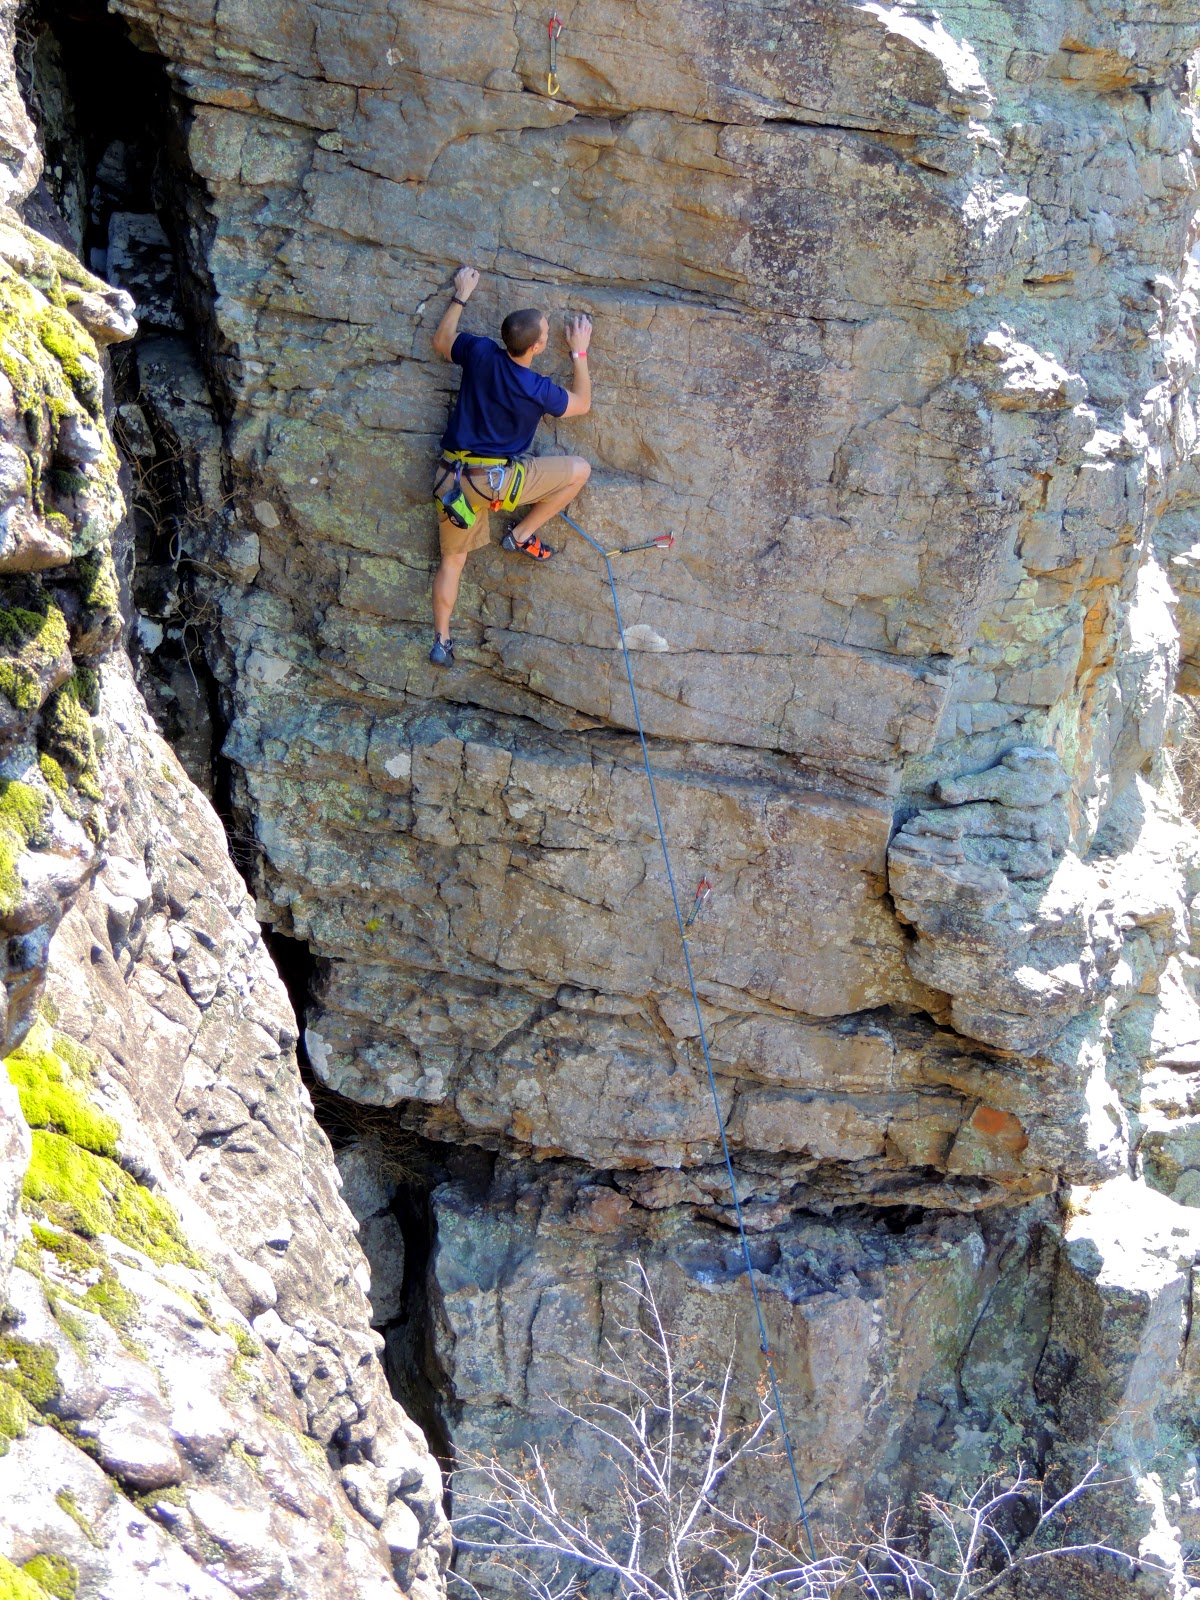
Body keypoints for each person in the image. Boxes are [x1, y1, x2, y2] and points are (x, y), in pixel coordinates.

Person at [427, 264, 593, 667]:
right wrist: (579, 353)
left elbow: (441, 341)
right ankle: (521, 534)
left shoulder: (481, 352)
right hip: (497, 483)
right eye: (546, 335)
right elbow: (583, 403)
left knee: (452, 561)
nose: (548, 337)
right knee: (579, 470)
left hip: (451, 481)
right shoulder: (538, 390)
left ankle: (442, 641)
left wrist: (461, 294)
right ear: (536, 348)